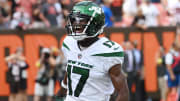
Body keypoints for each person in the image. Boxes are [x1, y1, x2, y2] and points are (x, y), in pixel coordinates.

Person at [57, 1, 129, 101]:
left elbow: (123, 93)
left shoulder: (108, 52)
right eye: (74, 19)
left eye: (82, 20)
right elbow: (71, 69)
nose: (76, 24)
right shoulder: (69, 43)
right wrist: (62, 92)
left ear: (95, 24)